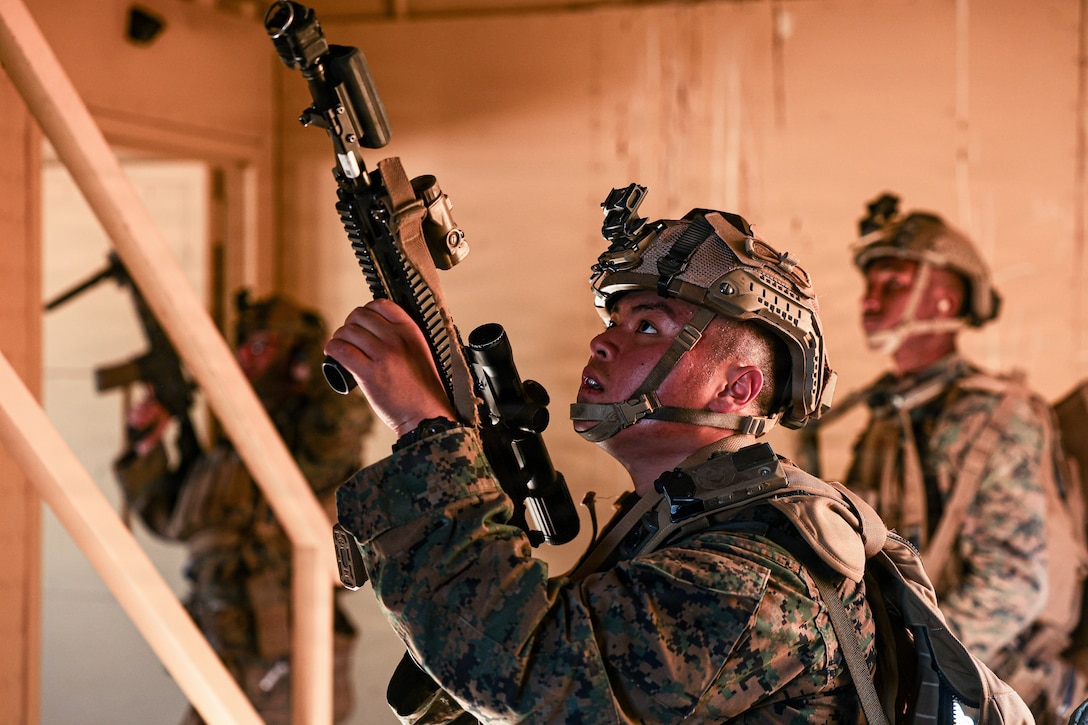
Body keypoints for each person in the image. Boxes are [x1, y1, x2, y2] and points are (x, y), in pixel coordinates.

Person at [327, 196, 889, 723]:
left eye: (647, 326)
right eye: (614, 322)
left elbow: (526, 678)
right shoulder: (671, 520)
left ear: (737, 389)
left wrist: (425, 430)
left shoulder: (754, 572)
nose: (603, 343)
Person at [841, 193, 1080, 721]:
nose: (870, 300)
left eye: (895, 285)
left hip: (989, 689)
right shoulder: (887, 412)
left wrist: (912, 676)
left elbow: (1012, 584)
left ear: (945, 303)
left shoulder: (996, 414)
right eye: (870, 285)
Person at [114, 292, 373, 725]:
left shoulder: (311, 444)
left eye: (259, 346)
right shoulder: (233, 451)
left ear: (295, 358)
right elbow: (173, 519)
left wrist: (315, 359)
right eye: (241, 347)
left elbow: (342, 416)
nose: (243, 360)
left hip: (283, 665)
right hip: (226, 655)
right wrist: (147, 446)